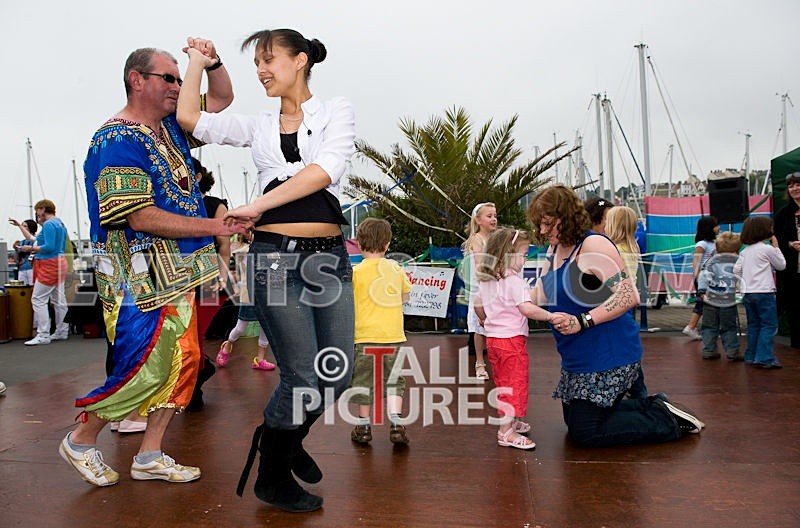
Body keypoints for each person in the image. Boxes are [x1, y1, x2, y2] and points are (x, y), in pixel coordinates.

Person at [177, 29, 356, 512]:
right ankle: (273, 475)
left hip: (328, 259)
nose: (260, 70)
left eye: (268, 59)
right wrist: (202, 61)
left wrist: (254, 206)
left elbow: (325, 171)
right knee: (301, 376)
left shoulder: (336, 110)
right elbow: (190, 117)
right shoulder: (257, 125)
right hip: (274, 259)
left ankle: (278, 435)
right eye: (256, 61)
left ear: (299, 61)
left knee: (337, 374)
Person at [58, 41, 249, 488]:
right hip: (137, 278)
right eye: (170, 78)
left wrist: (210, 62)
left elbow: (220, 101)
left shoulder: (173, 128)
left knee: (183, 363)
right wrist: (216, 227)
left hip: (180, 273)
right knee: (145, 365)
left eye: (180, 80)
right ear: (137, 80)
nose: (179, 87)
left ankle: (150, 453)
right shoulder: (116, 139)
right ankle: (82, 439)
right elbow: (136, 215)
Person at [527, 185, 705, 447]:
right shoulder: (555, 250)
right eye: (539, 225)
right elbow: (541, 295)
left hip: (607, 353)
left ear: (566, 217)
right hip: (578, 358)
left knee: (586, 432)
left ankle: (664, 418)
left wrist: (582, 321)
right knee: (575, 422)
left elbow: (627, 295)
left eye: (548, 224)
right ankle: (649, 404)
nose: (542, 232)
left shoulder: (592, 245)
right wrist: (502, 302)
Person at [474, 228, 554, 450]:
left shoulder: (488, 280)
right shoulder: (515, 282)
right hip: (511, 342)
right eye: (523, 254)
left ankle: (512, 422)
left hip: (493, 341)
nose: (525, 259)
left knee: (502, 382)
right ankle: (505, 432)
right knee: (514, 383)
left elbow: (478, 305)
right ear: (508, 254)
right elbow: (527, 309)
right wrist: (550, 315)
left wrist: (485, 322)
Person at [348, 217, 412, 446]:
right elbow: (405, 297)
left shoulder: (355, 272)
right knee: (394, 380)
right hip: (392, 336)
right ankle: (396, 422)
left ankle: (364, 427)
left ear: (359, 244)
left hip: (364, 337)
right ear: (387, 244)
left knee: (363, 381)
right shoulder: (396, 269)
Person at [604, 205, 647, 398]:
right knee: (626, 344)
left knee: (616, 345)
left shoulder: (614, 250)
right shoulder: (632, 247)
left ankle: (631, 388)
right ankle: (636, 388)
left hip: (616, 302)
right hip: (628, 302)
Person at [734, 217, 786, 369]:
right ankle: (764, 357)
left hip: (748, 293)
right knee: (769, 325)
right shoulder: (767, 249)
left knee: (754, 324)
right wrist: (776, 247)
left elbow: (736, 270)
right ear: (764, 231)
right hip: (764, 292)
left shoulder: (745, 252)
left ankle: (751, 355)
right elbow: (781, 265)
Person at [18, 200, 69, 346]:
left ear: (42, 209)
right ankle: (62, 330)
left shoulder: (48, 225)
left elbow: (48, 246)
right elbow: (38, 240)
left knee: (38, 299)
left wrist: (30, 249)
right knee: (59, 300)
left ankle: (43, 334)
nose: (37, 214)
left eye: (38, 210)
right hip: (59, 262)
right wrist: (20, 226)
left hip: (49, 264)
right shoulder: (59, 223)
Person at [462, 202, 498, 381]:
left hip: (496, 287)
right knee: (479, 326)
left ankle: (496, 359)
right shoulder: (477, 239)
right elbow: (480, 263)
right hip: (481, 288)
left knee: (494, 325)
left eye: (494, 216)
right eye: (489, 216)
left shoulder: (497, 238)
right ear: (478, 220)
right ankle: (480, 361)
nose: (493, 219)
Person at [697, 231, 742, 361]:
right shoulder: (737, 262)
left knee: (709, 326)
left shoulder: (712, 261)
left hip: (710, 298)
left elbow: (703, 275)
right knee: (729, 326)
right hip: (728, 299)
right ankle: (732, 350)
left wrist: (702, 291)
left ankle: (709, 349)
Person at [773, 171, 800, 348]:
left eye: (797, 184)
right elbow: (776, 238)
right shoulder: (783, 213)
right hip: (792, 269)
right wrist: (790, 244)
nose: (794, 188)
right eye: (791, 186)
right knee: (794, 306)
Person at [683, 215, 719, 340]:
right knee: (702, 302)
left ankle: (693, 326)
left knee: (705, 303)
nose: (718, 228)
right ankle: (691, 326)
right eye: (716, 226)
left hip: (712, 277)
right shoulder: (702, 244)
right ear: (709, 228)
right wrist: (698, 276)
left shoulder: (713, 243)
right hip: (703, 277)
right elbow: (696, 261)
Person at [9, 218, 38, 285]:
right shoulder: (22, 242)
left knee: (33, 288)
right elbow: (16, 260)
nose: (22, 227)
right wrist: (16, 249)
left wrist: (30, 249)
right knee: (23, 289)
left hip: (33, 268)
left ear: (31, 227)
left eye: (24, 226)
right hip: (22, 269)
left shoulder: (36, 240)